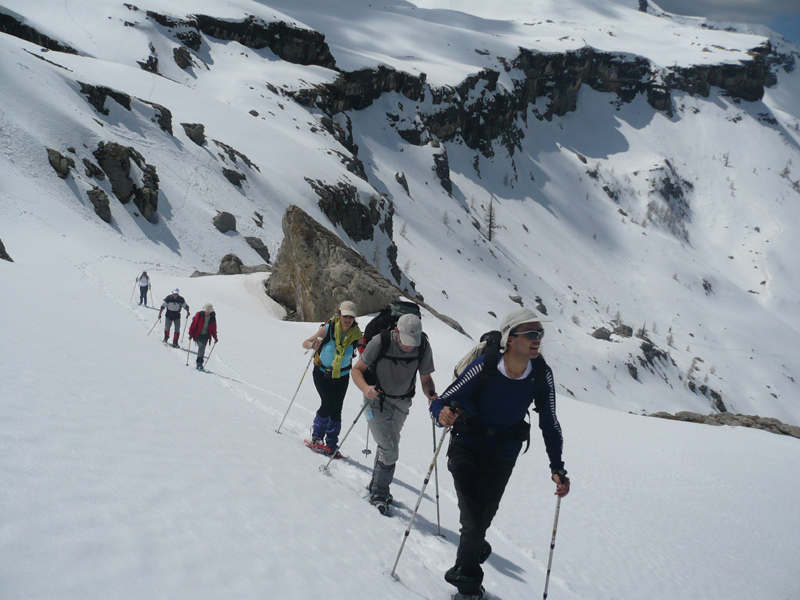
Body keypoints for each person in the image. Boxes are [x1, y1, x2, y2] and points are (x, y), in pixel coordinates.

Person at [430, 307, 569, 600]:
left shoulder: (541, 374)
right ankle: (467, 585)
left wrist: (557, 466)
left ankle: (472, 550)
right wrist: (440, 412)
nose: (537, 339)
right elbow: (444, 398)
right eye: (531, 333)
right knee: (473, 518)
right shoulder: (485, 365)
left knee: (483, 517)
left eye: (540, 334)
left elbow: (550, 422)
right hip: (467, 443)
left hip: (504, 452)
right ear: (511, 337)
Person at [351, 313, 436, 514]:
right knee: (389, 448)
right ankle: (380, 493)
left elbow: (425, 379)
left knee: (388, 445)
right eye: (406, 341)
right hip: (375, 401)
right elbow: (357, 370)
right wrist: (365, 389)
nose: (409, 346)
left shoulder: (422, 345)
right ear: (396, 331)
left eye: (412, 342)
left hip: (402, 402)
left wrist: (431, 394)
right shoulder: (380, 341)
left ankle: (375, 485)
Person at [301, 301, 362, 454]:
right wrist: (312, 345)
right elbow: (305, 342)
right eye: (345, 316)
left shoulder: (356, 335)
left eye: (351, 317)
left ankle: (332, 444)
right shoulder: (328, 328)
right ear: (339, 314)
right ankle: (317, 436)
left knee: (337, 409)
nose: (348, 319)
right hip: (321, 372)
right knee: (327, 403)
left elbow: (365, 353)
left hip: (342, 376)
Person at [188, 303, 218, 370]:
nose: (207, 313)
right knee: (201, 346)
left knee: (202, 348)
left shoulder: (212, 317)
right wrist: (191, 334)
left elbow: (213, 328)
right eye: (206, 311)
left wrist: (215, 337)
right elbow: (193, 325)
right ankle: (199, 363)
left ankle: (200, 363)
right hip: (197, 334)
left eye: (208, 311)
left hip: (206, 336)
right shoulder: (199, 315)